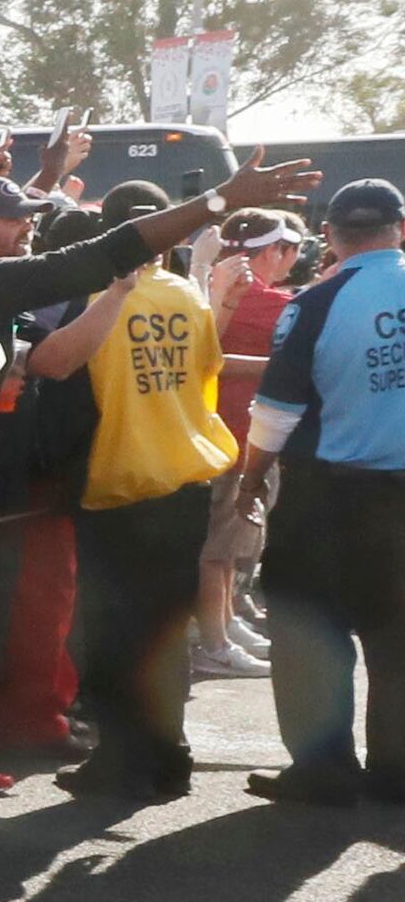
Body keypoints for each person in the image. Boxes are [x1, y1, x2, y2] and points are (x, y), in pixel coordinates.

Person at [21, 215, 231, 804]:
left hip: (116, 483)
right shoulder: (185, 294)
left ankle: (121, 765)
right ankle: (168, 760)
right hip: (184, 479)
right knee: (165, 632)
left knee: (113, 637)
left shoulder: (94, 301)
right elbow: (205, 370)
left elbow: (59, 381)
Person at [241, 178, 405, 803]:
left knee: (310, 631)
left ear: (330, 235)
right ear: (400, 229)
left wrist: (250, 482)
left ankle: (324, 771)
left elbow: (275, 413)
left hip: (332, 496)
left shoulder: (313, 304)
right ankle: (397, 773)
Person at [197, 209, 307, 674]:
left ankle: (224, 622)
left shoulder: (222, 291)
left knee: (227, 547)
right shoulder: (264, 301)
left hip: (230, 434)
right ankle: (215, 641)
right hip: (233, 436)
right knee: (218, 549)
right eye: (284, 249)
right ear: (271, 251)